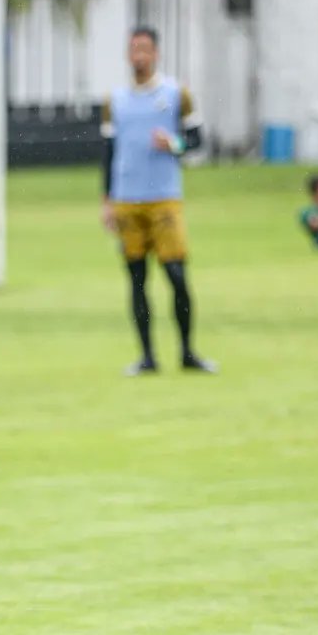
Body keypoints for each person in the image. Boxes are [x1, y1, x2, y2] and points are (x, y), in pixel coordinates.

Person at [100, 27, 215, 376]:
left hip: (164, 198)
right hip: (127, 200)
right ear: (127, 54)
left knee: (176, 274)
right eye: (134, 49)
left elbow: (196, 140)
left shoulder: (176, 94)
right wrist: (106, 199)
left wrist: (175, 145)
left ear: (156, 53)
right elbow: (107, 151)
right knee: (136, 278)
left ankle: (187, 351)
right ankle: (147, 356)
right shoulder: (115, 100)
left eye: (145, 49)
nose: (139, 56)